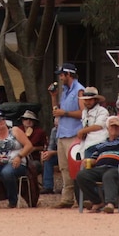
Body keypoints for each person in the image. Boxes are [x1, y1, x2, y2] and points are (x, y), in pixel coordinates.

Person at [77, 116, 119, 213]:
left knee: (109, 175)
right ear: (107, 129)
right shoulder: (101, 144)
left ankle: (110, 204)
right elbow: (94, 160)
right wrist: (88, 160)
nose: (114, 127)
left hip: (117, 169)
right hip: (100, 168)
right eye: (112, 126)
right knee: (82, 175)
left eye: (116, 126)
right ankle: (97, 201)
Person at [49, 62, 84, 209]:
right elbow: (57, 111)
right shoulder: (64, 90)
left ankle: (79, 197)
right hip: (62, 133)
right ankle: (67, 198)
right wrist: (53, 97)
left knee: (75, 166)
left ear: (69, 74)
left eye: (62, 75)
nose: (61, 78)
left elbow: (83, 113)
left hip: (74, 134)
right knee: (64, 167)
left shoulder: (79, 90)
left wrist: (65, 113)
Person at [0, 110, 33, 208]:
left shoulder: (14, 130)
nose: (2, 122)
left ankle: (13, 200)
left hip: (17, 162)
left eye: (3, 119)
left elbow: (29, 145)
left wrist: (19, 156)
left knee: (7, 172)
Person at [77, 87, 109, 153]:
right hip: (87, 145)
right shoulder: (84, 112)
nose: (88, 102)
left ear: (96, 100)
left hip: (100, 143)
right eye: (86, 100)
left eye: (90, 100)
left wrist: (82, 131)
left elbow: (99, 126)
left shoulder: (102, 111)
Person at [40, 117, 59, 195]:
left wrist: (52, 152)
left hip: (69, 154)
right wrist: (46, 153)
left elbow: (68, 150)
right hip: (58, 154)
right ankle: (48, 186)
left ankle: (69, 186)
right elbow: (51, 146)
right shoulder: (54, 131)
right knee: (48, 158)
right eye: (56, 125)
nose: (57, 127)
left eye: (59, 126)